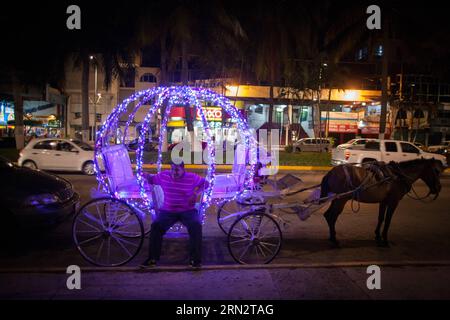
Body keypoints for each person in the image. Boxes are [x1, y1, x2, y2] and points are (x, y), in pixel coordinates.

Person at [140, 161, 206, 269]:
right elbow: (152, 179)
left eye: (177, 170)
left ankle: (195, 260)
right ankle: (152, 259)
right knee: (156, 226)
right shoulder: (164, 175)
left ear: (183, 169)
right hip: (168, 211)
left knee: (196, 226)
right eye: (172, 169)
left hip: (187, 210)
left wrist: (195, 193)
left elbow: (205, 183)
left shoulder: (191, 177)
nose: (173, 173)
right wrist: (146, 175)